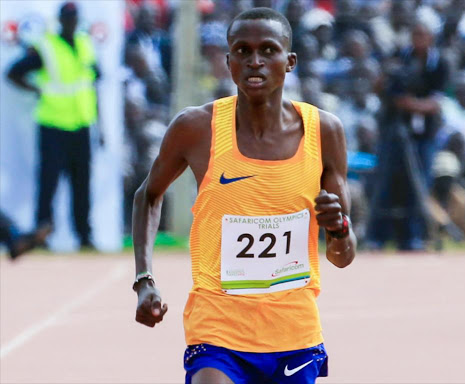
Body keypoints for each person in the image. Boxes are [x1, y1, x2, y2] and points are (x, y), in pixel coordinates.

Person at [132, 8, 356, 384]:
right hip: (218, 327)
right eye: (242, 51)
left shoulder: (324, 132)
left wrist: (338, 228)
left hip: (293, 332)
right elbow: (148, 195)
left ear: (290, 62)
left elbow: (343, 257)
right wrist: (144, 279)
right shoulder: (195, 128)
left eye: (268, 50)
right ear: (228, 62)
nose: (255, 61)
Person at [7, 2, 101, 248]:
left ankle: (84, 235)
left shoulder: (85, 43)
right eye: (67, 18)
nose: (71, 22)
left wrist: (99, 126)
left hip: (81, 123)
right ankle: (42, 233)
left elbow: (92, 81)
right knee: (48, 182)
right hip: (53, 124)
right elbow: (14, 72)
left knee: (82, 183)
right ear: (60, 20)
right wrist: (36, 89)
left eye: (74, 18)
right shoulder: (46, 47)